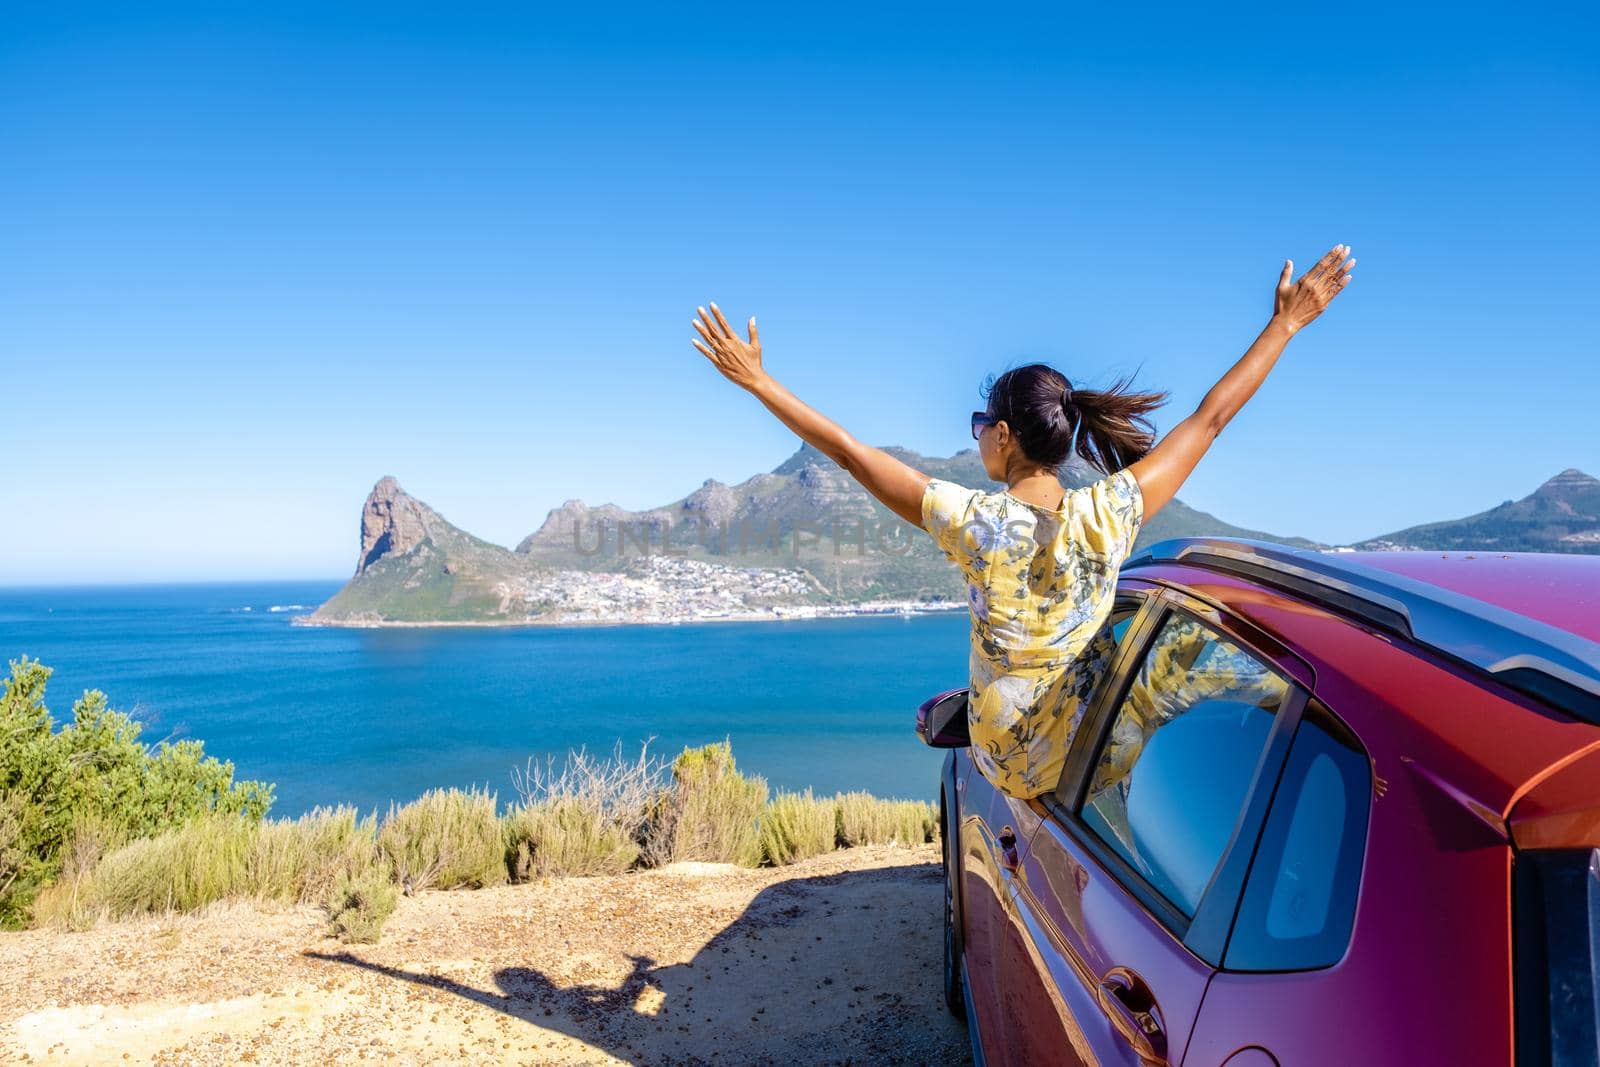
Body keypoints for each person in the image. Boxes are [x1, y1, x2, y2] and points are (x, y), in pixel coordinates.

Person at [690, 244, 1355, 799]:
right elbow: (1209, 419)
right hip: (1099, 752)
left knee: (1154, 640)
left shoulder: (974, 522)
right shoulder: (1111, 511)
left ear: (1004, 436)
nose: (977, 436)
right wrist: (1286, 326)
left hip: (1014, 764)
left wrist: (758, 382)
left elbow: (850, 454)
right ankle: (1336, 717)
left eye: (981, 425)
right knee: (1178, 643)